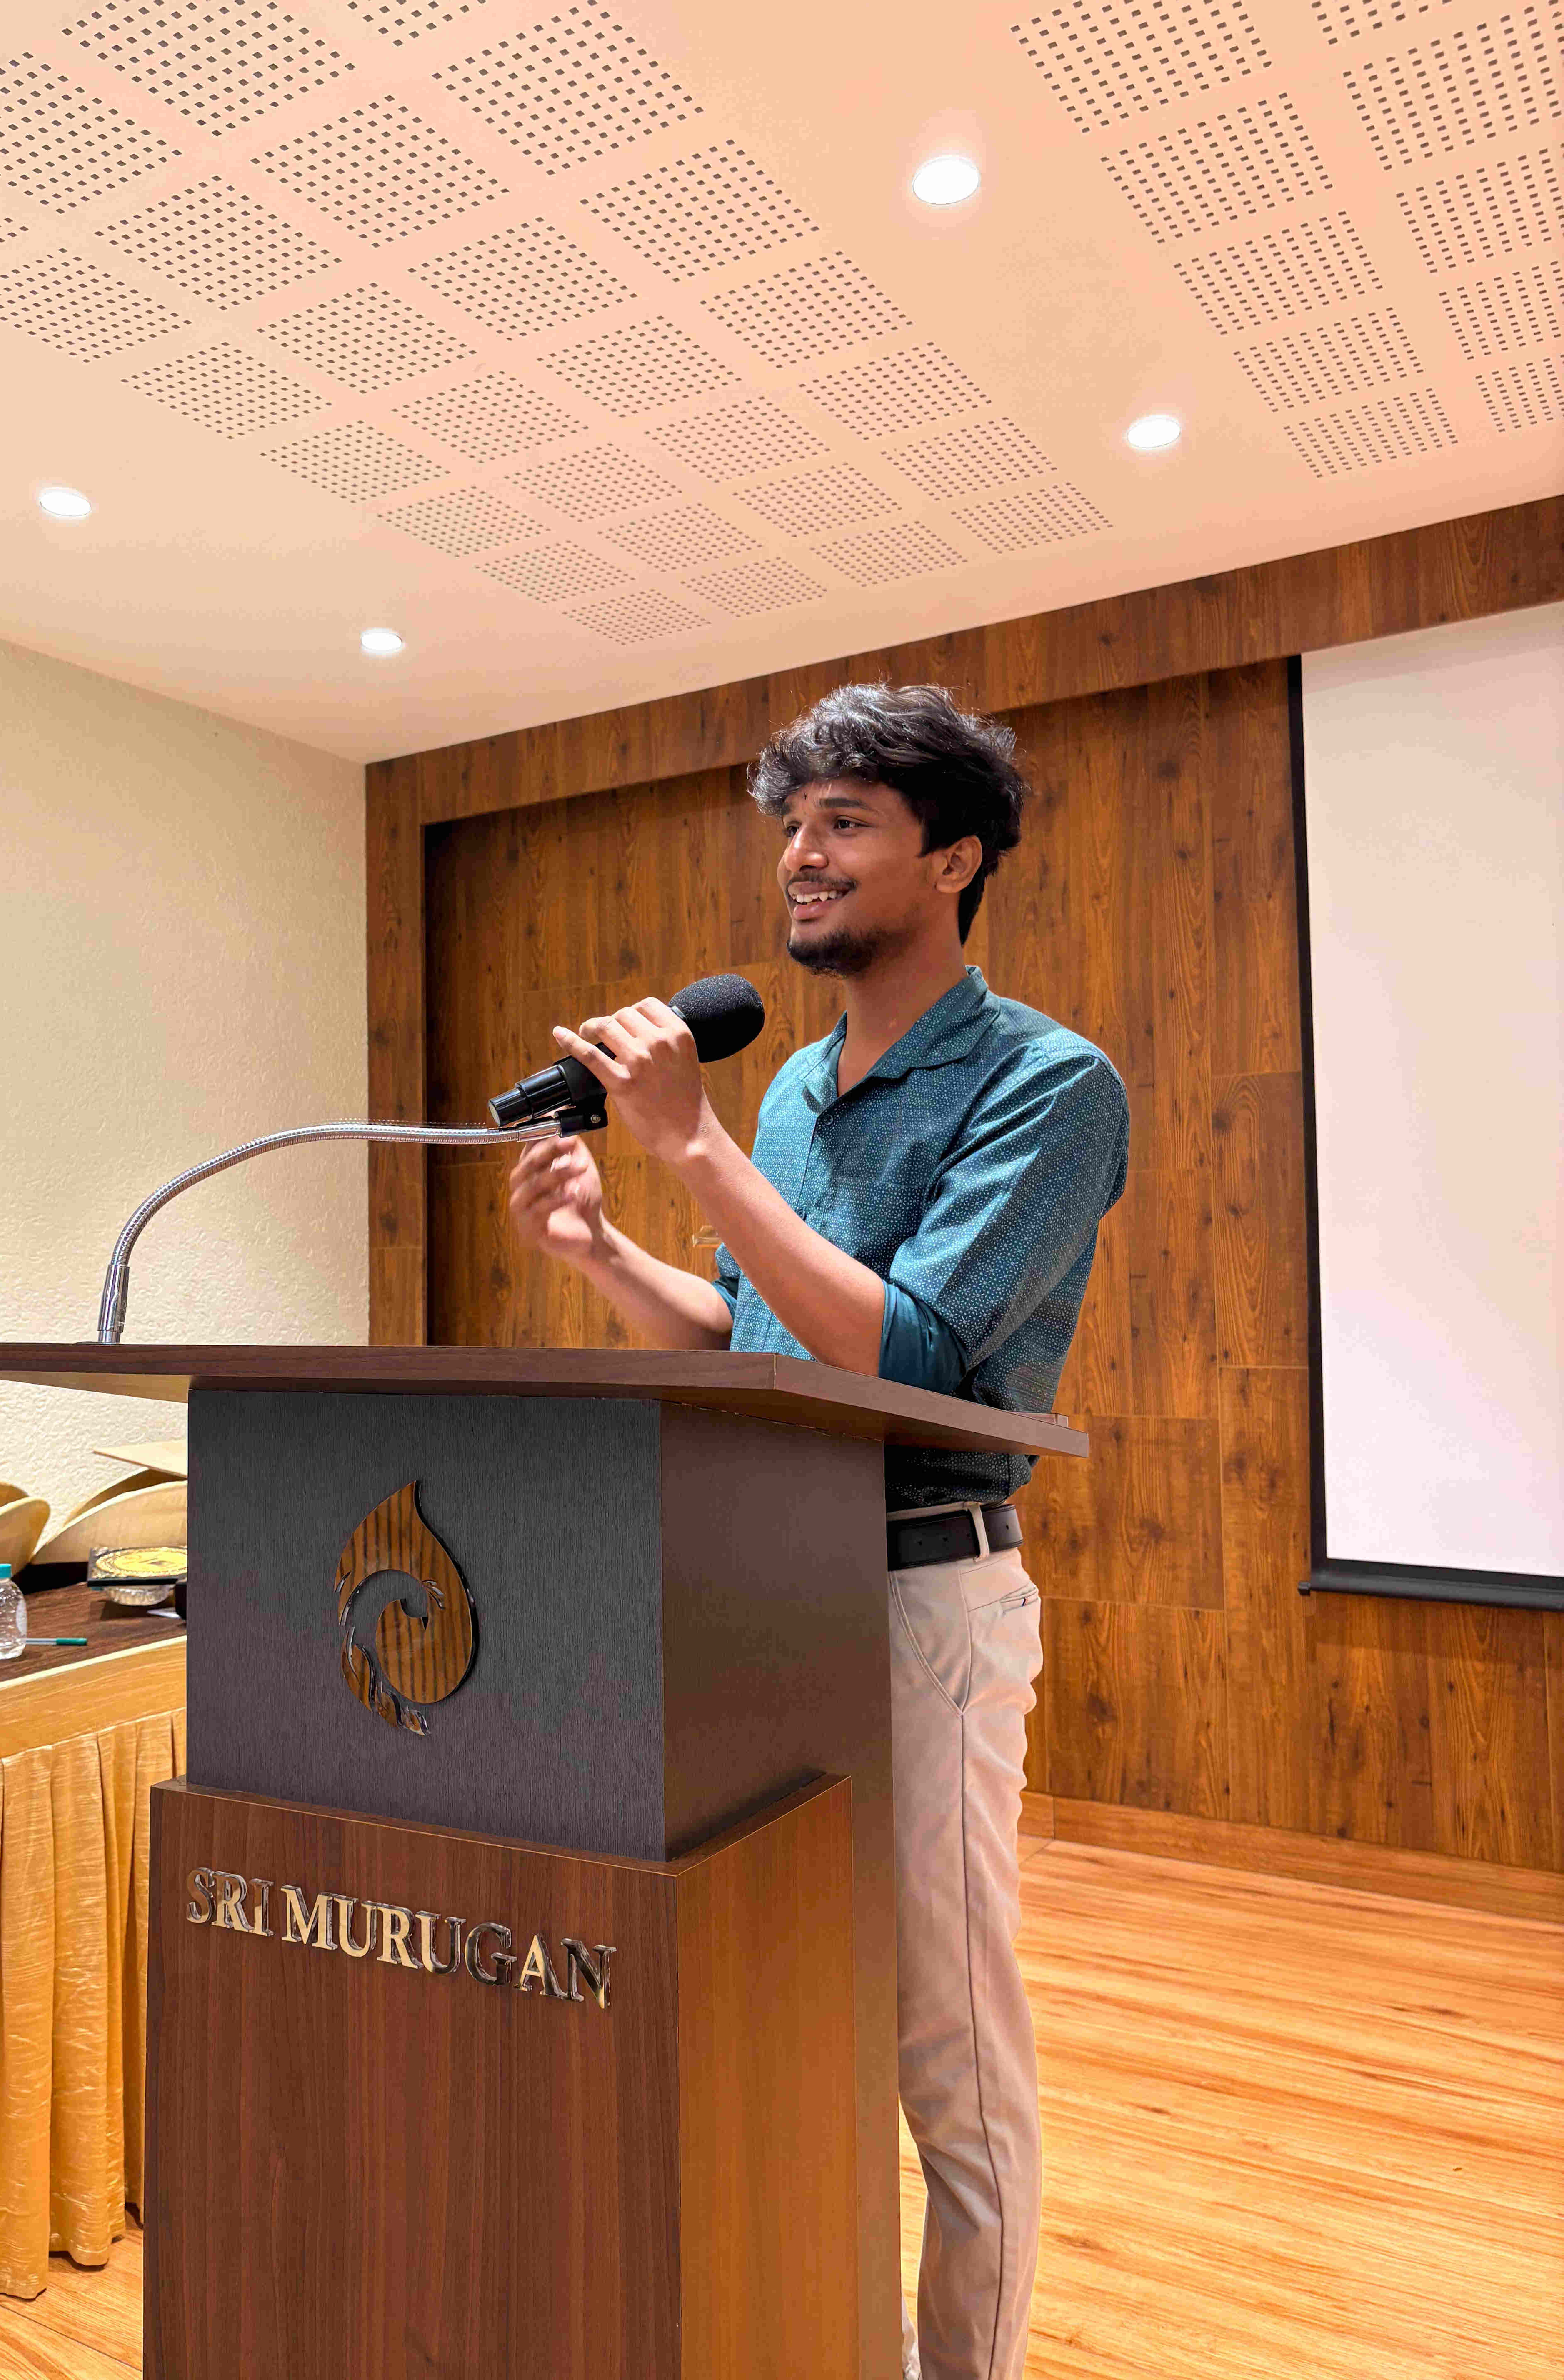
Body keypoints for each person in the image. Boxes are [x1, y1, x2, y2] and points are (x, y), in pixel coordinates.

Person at [505, 682, 1129, 2380]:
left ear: (956, 858)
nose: (801, 858)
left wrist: (690, 1146)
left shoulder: (1049, 1085)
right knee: (783, 2013)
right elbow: (755, 1344)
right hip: (751, 1601)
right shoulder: (781, 1103)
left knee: (949, 2045)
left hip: (924, 1600)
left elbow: (907, 1360)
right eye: (793, 826)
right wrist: (604, 1256)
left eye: (845, 823)